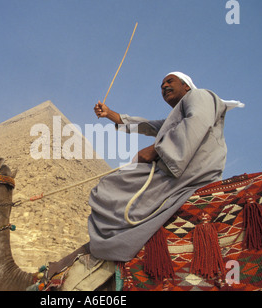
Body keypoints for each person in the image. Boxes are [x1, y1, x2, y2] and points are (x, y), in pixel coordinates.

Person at [88, 72, 243, 261]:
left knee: (109, 187)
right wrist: (110, 114)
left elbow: (196, 122)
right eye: (161, 84)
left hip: (190, 170)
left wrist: (156, 150)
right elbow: (147, 126)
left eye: (170, 81)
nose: (164, 86)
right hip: (177, 169)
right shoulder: (175, 118)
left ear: (186, 86)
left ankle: (116, 244)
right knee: (114, 184)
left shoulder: (200, 95)